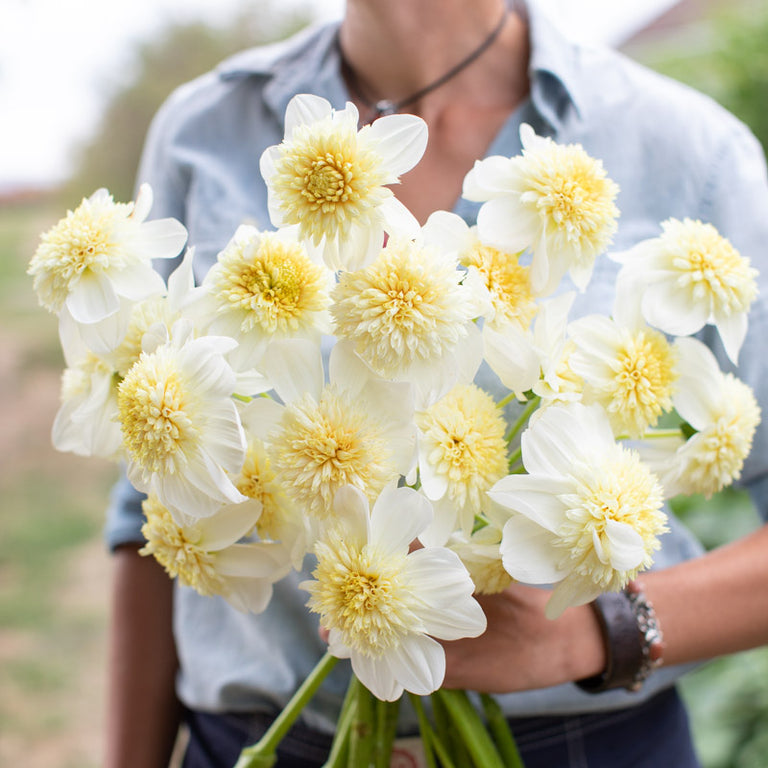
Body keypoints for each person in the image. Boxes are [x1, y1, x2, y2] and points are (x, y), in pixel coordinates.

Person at [103, 0, 768, 766]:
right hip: (262, 743)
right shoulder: (203, 127)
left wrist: (598, 629)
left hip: (585, 745)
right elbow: (150, 495)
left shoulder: (692, 151)